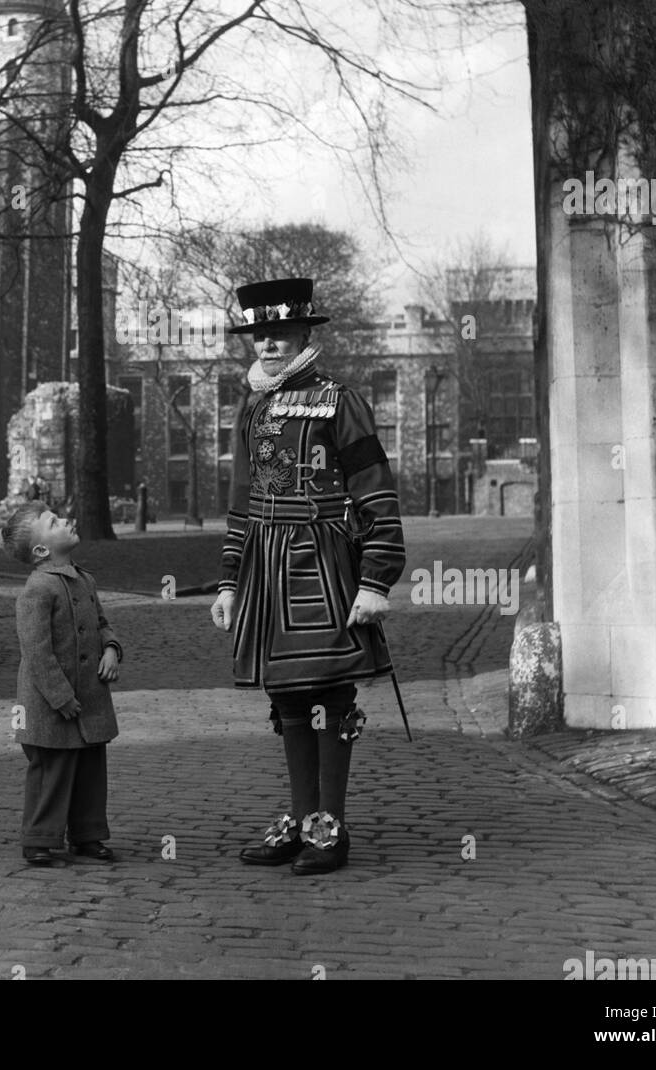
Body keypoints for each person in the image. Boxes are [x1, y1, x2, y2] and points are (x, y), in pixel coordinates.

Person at [211, 276, 406, 875]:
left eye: (280, 334)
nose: (269, 346)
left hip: (322, 564)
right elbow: (242, 500)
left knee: (327, 692)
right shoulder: (252, 406)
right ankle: (301, 820)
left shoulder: (340, 402)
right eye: (260, 336)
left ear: (303, 335)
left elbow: (377, 493)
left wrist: (376, 579)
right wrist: (227, 581)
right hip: (267, 569)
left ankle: (331, 826)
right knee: (288, 695)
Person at [2, 501, 123, 867]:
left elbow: (102, 623)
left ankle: (87, 835)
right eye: (54, 522)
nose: (66, 519)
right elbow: (36, 651)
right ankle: (39, 838)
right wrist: (59, 697)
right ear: (41, 550)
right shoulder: (37, 589)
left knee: (90, 770)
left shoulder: (85, 580)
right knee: (51, 772)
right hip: (49, 706)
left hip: (89, 700)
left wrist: (112, 650)